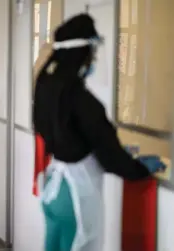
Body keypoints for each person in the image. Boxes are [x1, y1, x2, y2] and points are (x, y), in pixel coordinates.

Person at [32, 14, 166, 251]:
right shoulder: (82, 101)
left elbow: (68, 138)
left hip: (53, 191)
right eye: (92, 52)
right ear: (81, 54)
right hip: (75, 197)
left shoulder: (46, 90)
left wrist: (103, 150)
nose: (94, 59)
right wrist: (141, 167)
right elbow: (111, 157)